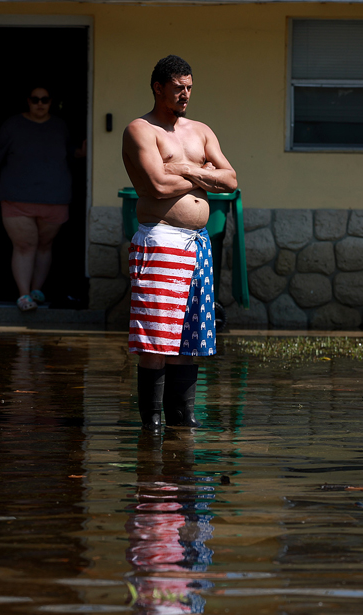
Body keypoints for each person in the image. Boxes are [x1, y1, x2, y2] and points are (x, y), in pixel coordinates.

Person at [122, 55, 237, 429]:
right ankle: (151, 425)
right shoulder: (141, 130)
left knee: (190, 340)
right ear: (158, 88)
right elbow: (156, 185)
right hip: (160, 241)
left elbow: (231, 180)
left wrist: (183, 168)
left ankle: (182, 423)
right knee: (156, 339)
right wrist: (202, 174)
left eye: (189, 87)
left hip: (197, 244)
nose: (185, 94)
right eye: (178, 88)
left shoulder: (201, 131)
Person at [0, 87, 86, 311]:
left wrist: (80, 153)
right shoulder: (12, 125)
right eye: (35, 99)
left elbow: (69, 151)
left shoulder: (60, 126)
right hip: (17, 198)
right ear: (28, 101)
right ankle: (23, 296)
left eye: (45, 99)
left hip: (55, 197)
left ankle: (36, 291)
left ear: (51, 101)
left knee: (44, 246)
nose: (40, 104)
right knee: (24, 246)